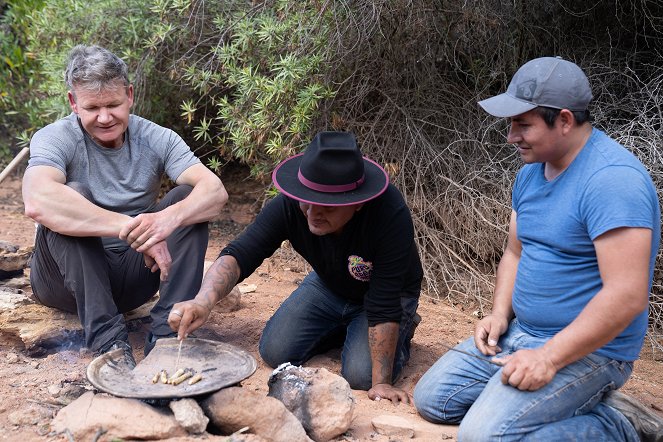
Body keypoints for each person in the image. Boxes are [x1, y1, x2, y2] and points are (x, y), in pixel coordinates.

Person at [413, 56, 663, 440]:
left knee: (482, 436)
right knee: (434, 400)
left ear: (564, 120)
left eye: (523, 124)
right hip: (521, 333)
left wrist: (547, 358)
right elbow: (515, 251)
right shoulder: (531, 170)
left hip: (591, 351)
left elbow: (627, 296)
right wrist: (499, 314)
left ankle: (620, 426)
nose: (512, 136)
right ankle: (564, 402)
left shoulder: (613, 181)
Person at [169, 131, 423, 403]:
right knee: (275, 351)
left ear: (357, 203)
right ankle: (346, 327)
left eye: (326, 206)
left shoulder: (389, 214)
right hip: (330, 285)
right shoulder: (292, 204)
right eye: (307, 200)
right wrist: (202, 301)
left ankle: (400, 331)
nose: (312, 213)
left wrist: (382, 383)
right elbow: (241, 253)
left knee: (361, 377)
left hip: (388, 294)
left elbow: (383, 303)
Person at [22, 45, 227, 367]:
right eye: (92, 107)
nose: (105, 118)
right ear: (73, 102)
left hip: (135, 278)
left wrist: (165, 221)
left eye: (114, 104)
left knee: (188, 197)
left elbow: (214, 192)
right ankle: (110, 346)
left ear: (130, 95)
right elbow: (37, 200)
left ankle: (167, 337)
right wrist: (131, 229)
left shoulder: (157, 137)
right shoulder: (55, 137)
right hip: (63, 283)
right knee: (71, 194)